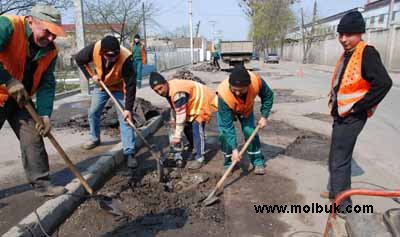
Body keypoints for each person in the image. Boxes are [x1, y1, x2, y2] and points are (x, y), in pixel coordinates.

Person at [321, 11, 392, 213]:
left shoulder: (367, 53)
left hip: (352, 116)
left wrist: (358, 107)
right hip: (341, 114)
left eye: (348, 34)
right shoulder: (349, 53)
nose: (343, 39)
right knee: (335, 154)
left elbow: (384, 83)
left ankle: (343, 206)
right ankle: (335, 191)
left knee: (340, 158)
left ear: (360, 33)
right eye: (340, 34)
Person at [0, 5, 67, 196]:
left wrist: (45, 114)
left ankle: (42, 184)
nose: (51, 38)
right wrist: (8, 80)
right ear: (30, 21)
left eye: (55, 34)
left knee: (33, 137)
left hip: (21, 100)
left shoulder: (50, 51)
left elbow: (47, 82)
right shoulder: (8, 26)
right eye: (47, 31)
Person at [75, 36, 138, 168]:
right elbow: (79, 59)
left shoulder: (126, 58)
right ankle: (95, 138)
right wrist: (91, 76)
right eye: (109, 56)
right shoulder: (94, 48)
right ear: (102, 53)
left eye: (115, 56)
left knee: (125, 118)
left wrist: (128, 109)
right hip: (101, 85)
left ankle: (129, 152)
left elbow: (131, 85)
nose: (112, 59)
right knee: (93, 112)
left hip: (120, 87)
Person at [149, 72, 217, 170]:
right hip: (193, 102)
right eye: (156, 91)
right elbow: (175, 107)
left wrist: (177, 136)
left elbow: (181, 114)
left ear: (165, 83)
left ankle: (200, 158)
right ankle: (194, 146)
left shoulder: (177, 92)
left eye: (160, 88)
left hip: (203, 100)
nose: (159, 92)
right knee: (185, 126)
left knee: (196, 128)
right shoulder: (168, 89)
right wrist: (173, 120)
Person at [217, 66, 274, 175]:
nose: (237, 93)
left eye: (241, 90)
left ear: (248, 86)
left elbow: (268, 96)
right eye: (234, 89)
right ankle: (229, 163)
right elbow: (227, 127)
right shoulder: (223, 94)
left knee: (250, 131)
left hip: (245, 109)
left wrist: (264, 116)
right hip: (228, 109)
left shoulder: (256, 81)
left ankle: (257, 161)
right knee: (224, 135)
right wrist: (234, 149)